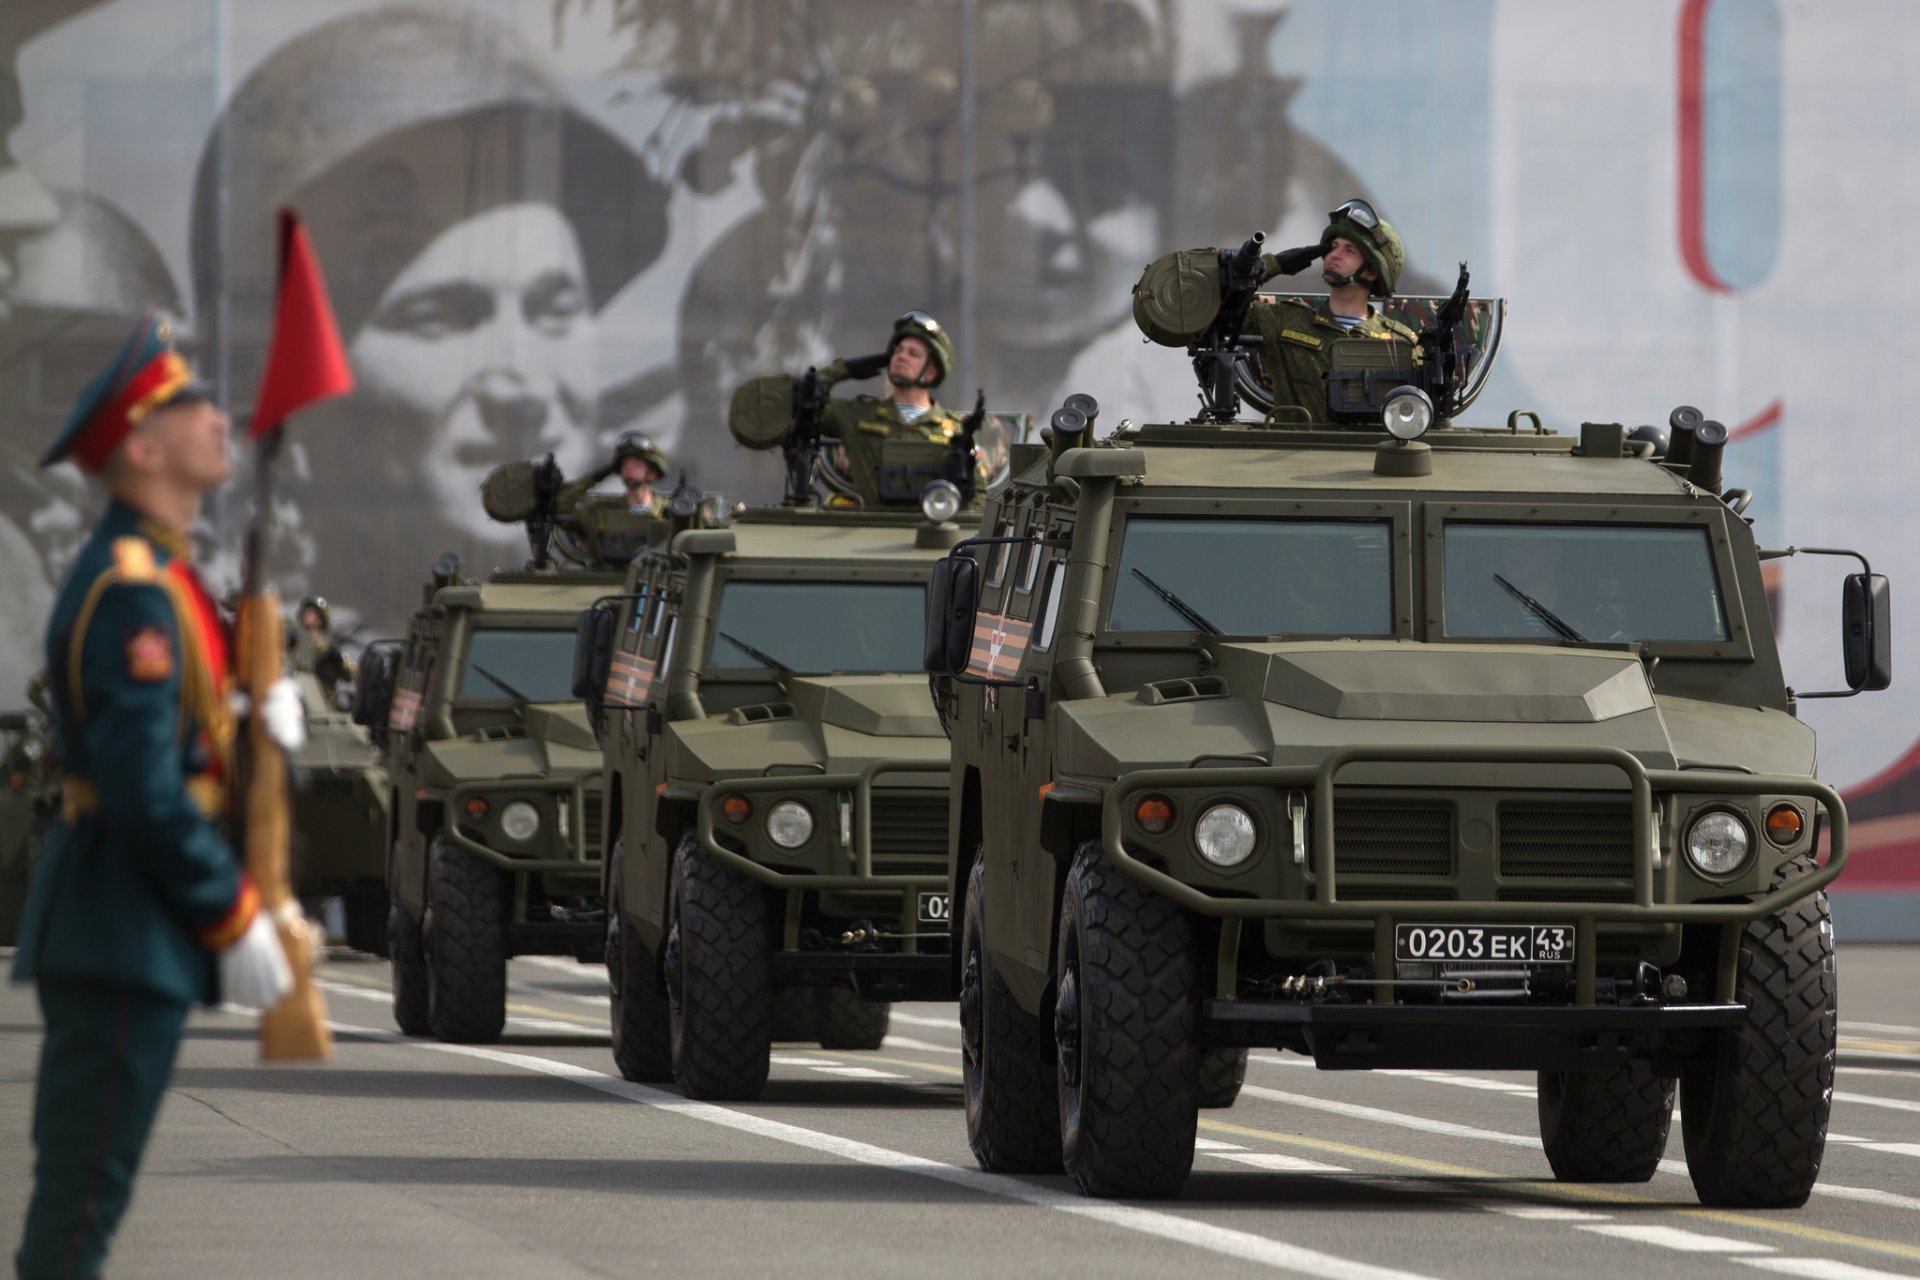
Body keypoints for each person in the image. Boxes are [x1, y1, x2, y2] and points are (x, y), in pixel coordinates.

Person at [188, 6, 668, 628]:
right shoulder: (234, 641)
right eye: (440, 319)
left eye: (554, 311)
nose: (518, 385)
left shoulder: (648, 626)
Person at [11, 312, 296, 1280]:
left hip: (124, 926)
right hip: (121, 926)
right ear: (144, 443)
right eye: (192, 404)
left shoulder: (159, 570)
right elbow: (140, 785)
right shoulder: (135, 587)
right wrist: (230, 911)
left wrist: (251, 710)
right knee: (78, 1216)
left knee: (85, 1203)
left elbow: (169, 741)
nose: (220, 417)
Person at [1246, 198, 1419, 424]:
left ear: (1372, 271)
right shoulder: (1282, 321)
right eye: (1333, 247)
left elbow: (1416, 418)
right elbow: (1210, 309)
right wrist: (1270, 265)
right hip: (1293, 455)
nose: (1334, 255)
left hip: (1371, 458)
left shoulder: (1401, 344)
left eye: (1349, 250)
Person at [806, 310, 976, 508]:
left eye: (913, 354)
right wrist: (843, 370)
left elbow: (977, 500)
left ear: (930, 373)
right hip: (871, 530)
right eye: (898, 350)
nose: (901, 356)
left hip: (932, 533)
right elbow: (803, 401)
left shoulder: (956, 432)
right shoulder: (858, 416)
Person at [289, 594, 357, 708]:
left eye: (314, 614)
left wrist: (337, 659)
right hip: (296, 697)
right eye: (307, 613)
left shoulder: (330, 646)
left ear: (322, 619)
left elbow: (351, 674)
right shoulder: (294, 641)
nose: (310, 618)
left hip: (323, 700)